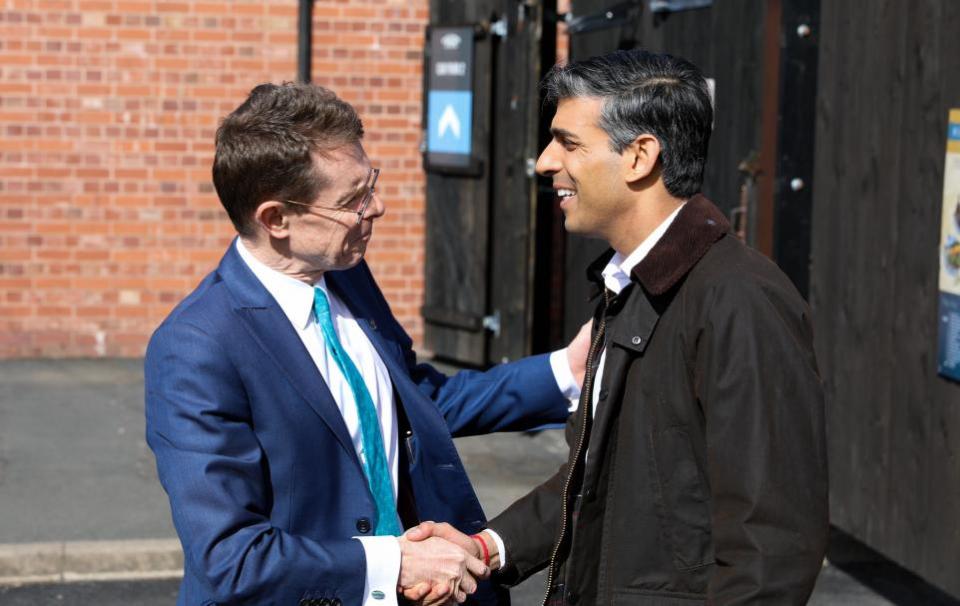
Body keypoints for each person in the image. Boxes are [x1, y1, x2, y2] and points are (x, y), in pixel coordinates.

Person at [144, 82, 591, 606]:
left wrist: (565, 371)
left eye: (370, 182)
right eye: (353, 199)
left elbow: (413, 404)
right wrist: (395, 563)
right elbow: (230, 558)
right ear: (275, 219)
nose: (376, 206)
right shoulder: (197, 347)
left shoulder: (344, 273)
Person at [408, 49, 829, 604]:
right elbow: (597, 479)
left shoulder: (740, 301)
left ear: (639, 156)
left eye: (569, 143)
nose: (543, 161)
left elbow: (769, 552)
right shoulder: (629, 286)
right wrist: (487, 547)